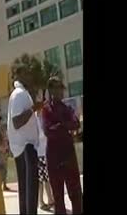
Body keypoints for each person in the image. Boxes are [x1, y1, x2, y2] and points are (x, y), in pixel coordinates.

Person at [41, 77, 82, 214]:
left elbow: (76, 123)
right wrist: (65, 125)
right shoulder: (46, 110)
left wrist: (60, 125)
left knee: (75, 192)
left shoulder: (67, 108)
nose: (60, 91)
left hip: (68, 153)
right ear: (51, 90)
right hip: (53, 156)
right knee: (58, 195)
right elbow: (48, 130)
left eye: (61, 88)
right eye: (57, 88)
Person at [7, 63, 41, 214]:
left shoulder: (22, 93)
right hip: (25, 148)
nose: (30, 76)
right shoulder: (19, 94)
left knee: (27, 191)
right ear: (19, 74)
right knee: (30, 190)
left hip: (25, 147)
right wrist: (33, 109)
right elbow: (17, 122)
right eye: (26, 73)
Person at [37, 111, 54, 211]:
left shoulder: (42, 117)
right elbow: (41, 135)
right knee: (41, 179)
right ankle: (41, 201)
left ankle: (50, 199)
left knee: (46, 178)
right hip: (40, 153)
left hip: (44, 152)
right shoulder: (36, 120)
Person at [0, 117, 11, 192]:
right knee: (0, 169)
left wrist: (7, 149)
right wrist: (2, 149)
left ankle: (4, 184)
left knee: (4, 169)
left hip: (4, 151)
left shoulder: (2, 130)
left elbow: (6, 140)